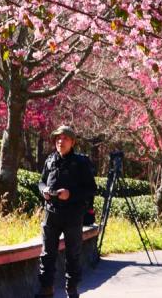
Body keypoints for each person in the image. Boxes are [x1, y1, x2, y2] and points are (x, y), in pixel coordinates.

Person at [35, 125, 97, 298]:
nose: (60, 141)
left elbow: (91, 189)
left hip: (73, 215)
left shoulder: (81, 163)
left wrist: (70, 194)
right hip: (51, 213)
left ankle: (72, 290)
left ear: (72, 142)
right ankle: (46, 289)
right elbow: (40, 182)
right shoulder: (50, 160)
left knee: (73, 254)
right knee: (47, 253)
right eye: (58, 138)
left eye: (65, 138)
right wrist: (44, 190)